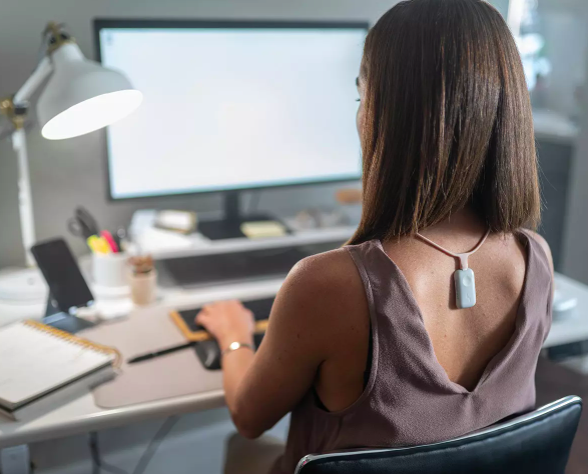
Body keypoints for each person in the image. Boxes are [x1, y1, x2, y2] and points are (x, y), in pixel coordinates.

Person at [195, 1, 554, 473]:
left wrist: (234, 337)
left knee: (238, 452)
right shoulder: (537, 259)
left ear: (391, 115)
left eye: (362, 96)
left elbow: (248, 416)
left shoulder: (328, 283)